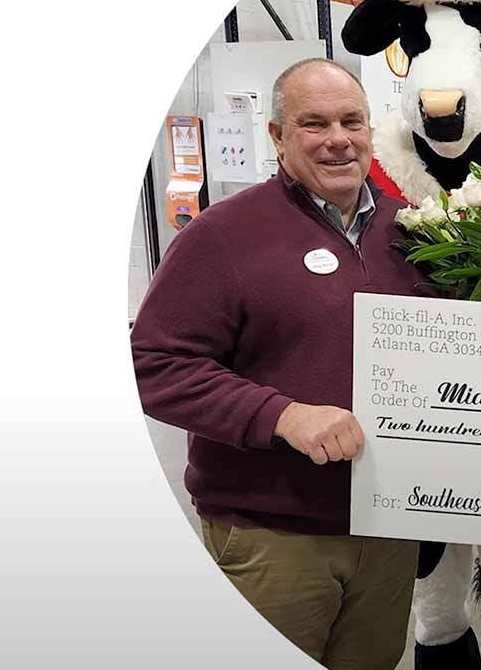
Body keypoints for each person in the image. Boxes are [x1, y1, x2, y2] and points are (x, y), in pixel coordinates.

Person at [131, 58, 427, 669]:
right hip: (276, 535)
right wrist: (282, 415)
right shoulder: (223, 236)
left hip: (388, 529)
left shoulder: (418, 233)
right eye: (314, 123)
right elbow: (156, 364)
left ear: (373, 130)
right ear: (277, 136)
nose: (338, 139)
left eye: (353, 121)